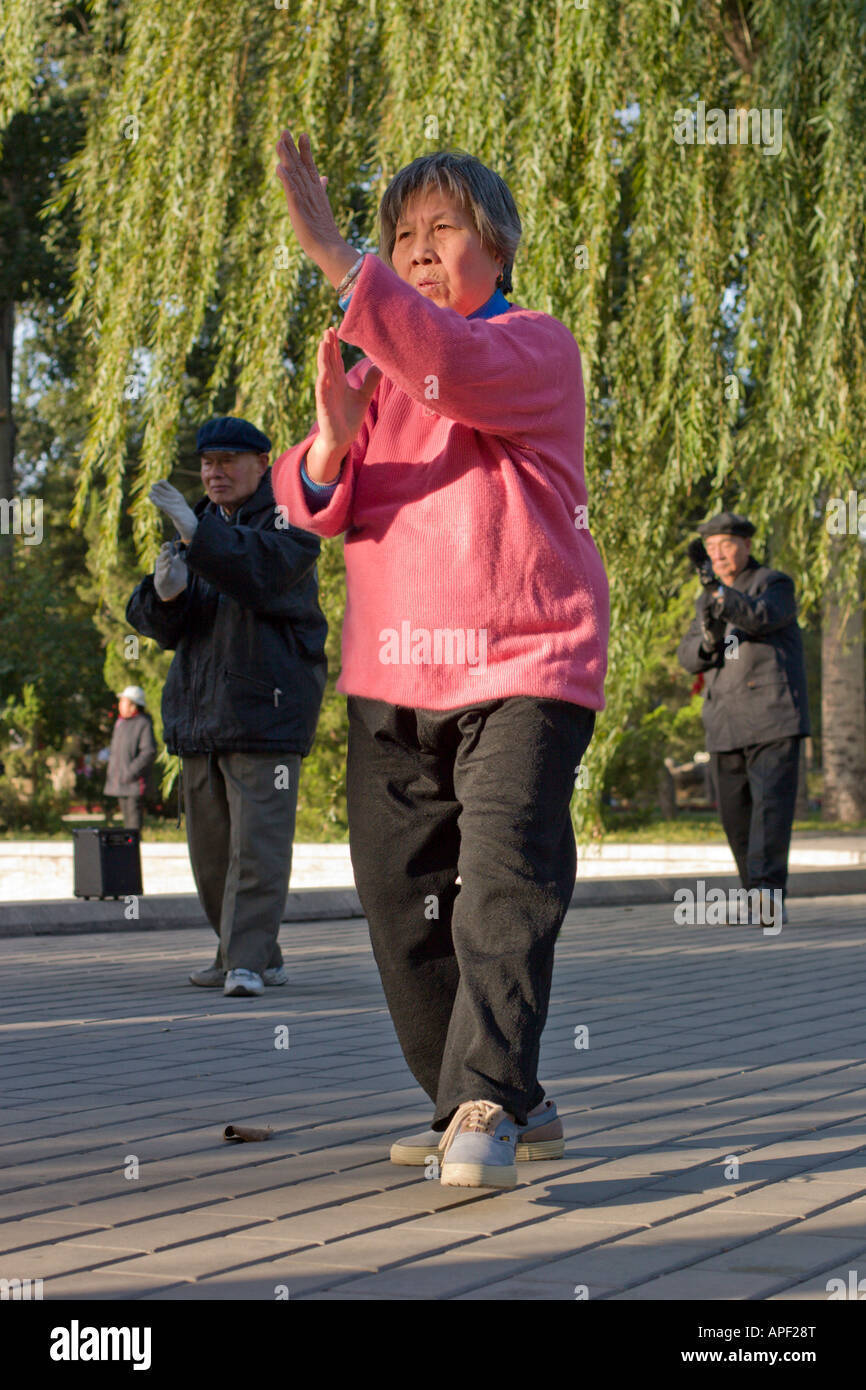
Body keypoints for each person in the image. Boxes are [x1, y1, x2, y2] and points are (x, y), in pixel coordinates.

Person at [271, 132, 610, 1188]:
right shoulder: (372, 377)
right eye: (399, 235)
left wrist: (335, 257)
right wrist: (329, 440)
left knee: (498, 887)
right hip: (392, 675)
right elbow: (311, 504)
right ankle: (491, 1090)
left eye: (442, 230)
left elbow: (446, 364)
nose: (417, 250)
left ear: (496, 248)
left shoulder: (533, 348)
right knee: (398, 897)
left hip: (521, 663)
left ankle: (482, 1097)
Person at [126, 416, 327, 997]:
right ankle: (250, 952)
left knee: (257, 851)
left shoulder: (291, 521)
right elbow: (168, 626)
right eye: (207, 462)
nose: (214, 472)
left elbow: (261, 574)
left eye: (228, 461)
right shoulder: (199, 524)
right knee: (211, 857)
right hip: (200, 715)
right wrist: (165, 597)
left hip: (266, 716)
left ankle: (243, 963)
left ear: (262, 464)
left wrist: (198, 539)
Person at [677, 511, 811, 925]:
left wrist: (720, 595)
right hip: (725, 724)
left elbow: (761, 616)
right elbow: (688, 657)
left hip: (772, 720)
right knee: (735, 819)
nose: (718, 554)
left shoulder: (774, 584)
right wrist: (708, 636)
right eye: (711, 548)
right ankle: (753, 896)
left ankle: (768, 902)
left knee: (770, 814)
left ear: (746, 545)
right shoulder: (706, 599)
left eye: (726, 545)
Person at [104, 686, 157, 831]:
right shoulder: (120, 723)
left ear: (133, 705)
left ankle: (133, 853)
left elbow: (148, 752)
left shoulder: (143, 723)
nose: (120, 704)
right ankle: (127, 853)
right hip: (120, 783)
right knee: (126, 826)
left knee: (133, 828)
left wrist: (130, 772)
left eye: (124, 701)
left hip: (134, 784)